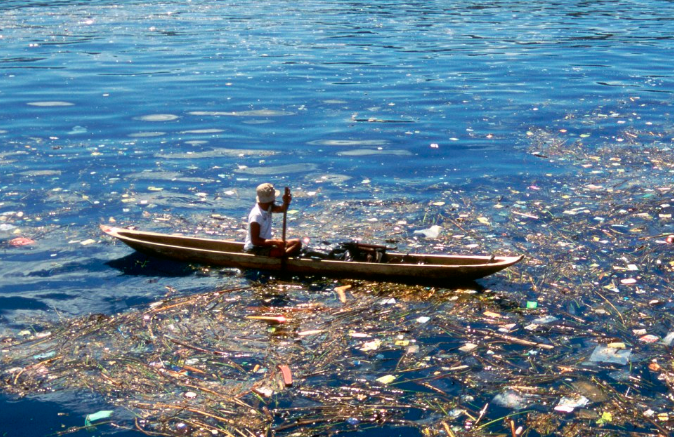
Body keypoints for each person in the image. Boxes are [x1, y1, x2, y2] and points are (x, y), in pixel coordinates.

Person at [243, 183, 302, 257]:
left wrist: (286, 202)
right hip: (255, 249)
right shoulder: (256, 215)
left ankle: (285, 254)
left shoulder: (268, 207)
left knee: (297, 242)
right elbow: (255, 241)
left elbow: (282, 209)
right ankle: (283, 256)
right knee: (282, 253)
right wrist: (275, 242)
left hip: (266, 245)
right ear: (271, 200)